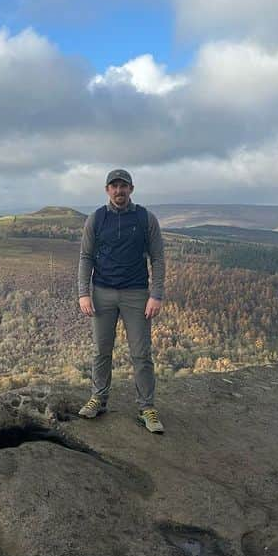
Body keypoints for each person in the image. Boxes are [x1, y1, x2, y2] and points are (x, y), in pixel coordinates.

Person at [76, 168, 166, 433]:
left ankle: (146, 408)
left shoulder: (145, 218)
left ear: (131, 189)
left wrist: (156, 295)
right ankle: (99, 399)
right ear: (107, 190)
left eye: (123, 186)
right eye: (114, 186)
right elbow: (85, 257)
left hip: (137, 294)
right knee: (101, 351)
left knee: (141, 353)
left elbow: (158, 258)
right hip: (102, 292)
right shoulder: (96, 218)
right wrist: (83, 293)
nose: (119, 191)